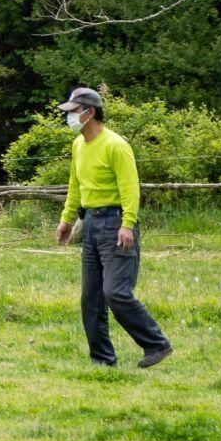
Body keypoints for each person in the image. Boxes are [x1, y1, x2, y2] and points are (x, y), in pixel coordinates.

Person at [55, 85, 172, 369]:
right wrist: (67, 219)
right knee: (90, 298)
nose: (69, 117)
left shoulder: (116, 145)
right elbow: (75, 185)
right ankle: (102, 361)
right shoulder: (78, 145)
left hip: (115, 223)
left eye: (73, 112)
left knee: (115, 292)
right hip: (90, 223)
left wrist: (127, 224)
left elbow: (130, 189)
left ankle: (156, 344)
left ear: (90, 112)